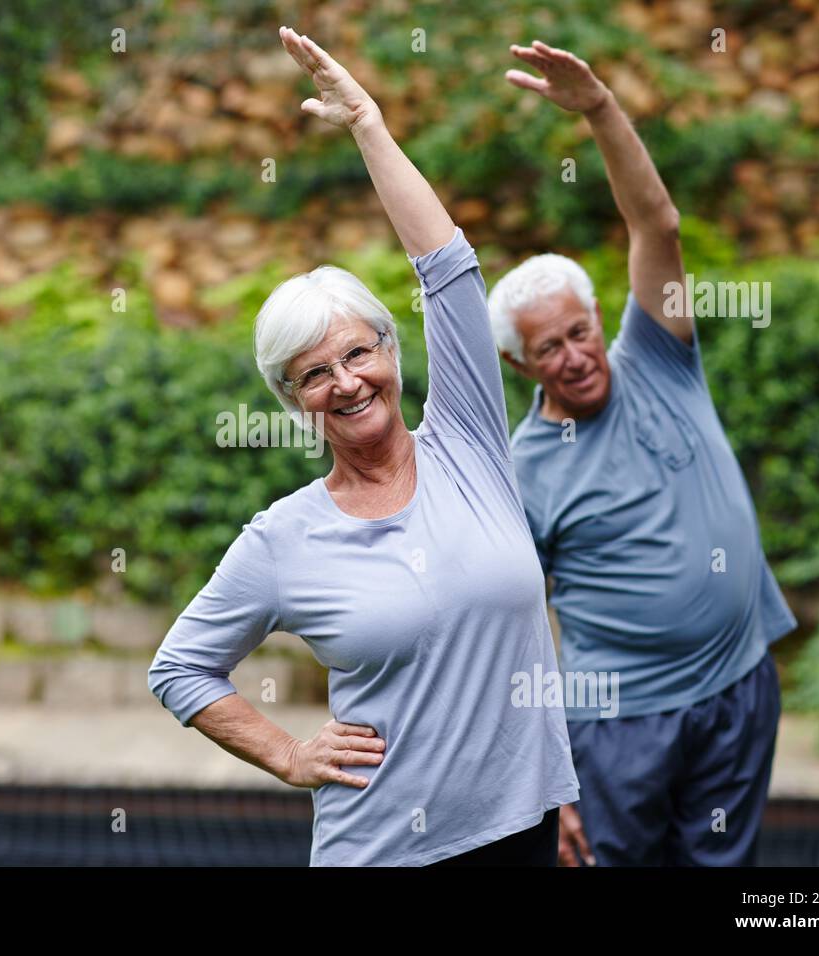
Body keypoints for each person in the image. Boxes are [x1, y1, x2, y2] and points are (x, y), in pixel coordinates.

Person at [147, 26, 578, 866]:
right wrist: (288, 754)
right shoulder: (282, 539)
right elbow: (181, 669)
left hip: (523, 833)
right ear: (293, 401)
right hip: (383, 850)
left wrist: (368, 127)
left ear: (391, 351)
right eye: (314, 375)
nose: (345, 382)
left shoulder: (468, 445)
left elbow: (449, 270)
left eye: (358, 353)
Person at [494, 41, 795, 866]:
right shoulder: (525, 467)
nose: (575, 356)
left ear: (601, 319)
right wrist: (546, 783)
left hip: (738, 684)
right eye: (548, 348)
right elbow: (517, 629)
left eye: (580, 331)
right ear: (520, 366)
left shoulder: (660, 354)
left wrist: (599, 109)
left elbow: (654, 220)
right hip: (621, 723)